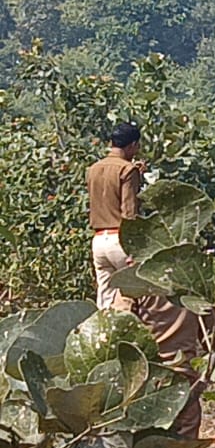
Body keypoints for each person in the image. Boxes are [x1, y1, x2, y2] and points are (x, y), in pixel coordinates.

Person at [87, 123, 145, 310]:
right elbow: (130, 212)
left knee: (105, 299)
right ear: (132, 145)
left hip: (99, 241)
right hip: (119, 239)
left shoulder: (93, 169)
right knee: (131, 296)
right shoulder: (128, 170)